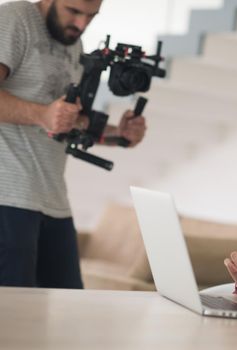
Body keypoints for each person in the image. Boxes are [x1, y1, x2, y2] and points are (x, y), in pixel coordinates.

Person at [0, 0, 146, 288]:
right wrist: (42, 115)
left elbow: (67, 123)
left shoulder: (73, 44)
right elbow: (48, 116)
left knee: (65, 314)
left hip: (53, 203)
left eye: (91, 16)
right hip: (7, 199)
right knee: (13, 320)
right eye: (74, 11)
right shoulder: (14, 18)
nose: (81, 25)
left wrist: (120, 135)